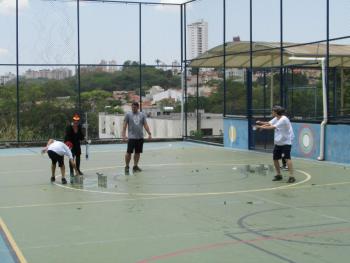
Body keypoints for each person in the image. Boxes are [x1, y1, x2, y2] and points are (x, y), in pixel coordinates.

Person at [256, 105, 295, 183]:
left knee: (287, 158)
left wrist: (261, 127)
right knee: (275, 159)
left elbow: (272, 127)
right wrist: (261, 124)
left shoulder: (284, 119)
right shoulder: (276, 118)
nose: (271, 112)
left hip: (286, 142)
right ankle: (278, 175)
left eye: (273, 111)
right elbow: (269, 123)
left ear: (276, 112)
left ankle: (291, 176)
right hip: (278, 142)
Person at [122, 102, 152, 174]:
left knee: (137, 153)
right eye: (132, 107)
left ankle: (135, 166)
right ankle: (127, 166)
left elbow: (145, 125)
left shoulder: (142, 115)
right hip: (131, 137)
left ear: (137, 107)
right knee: (129, 152)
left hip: (140, 137)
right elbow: (124, 125)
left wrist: (149, 134)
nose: (133, 108)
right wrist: (123, 135)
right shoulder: (128, 114)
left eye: (134, 107)